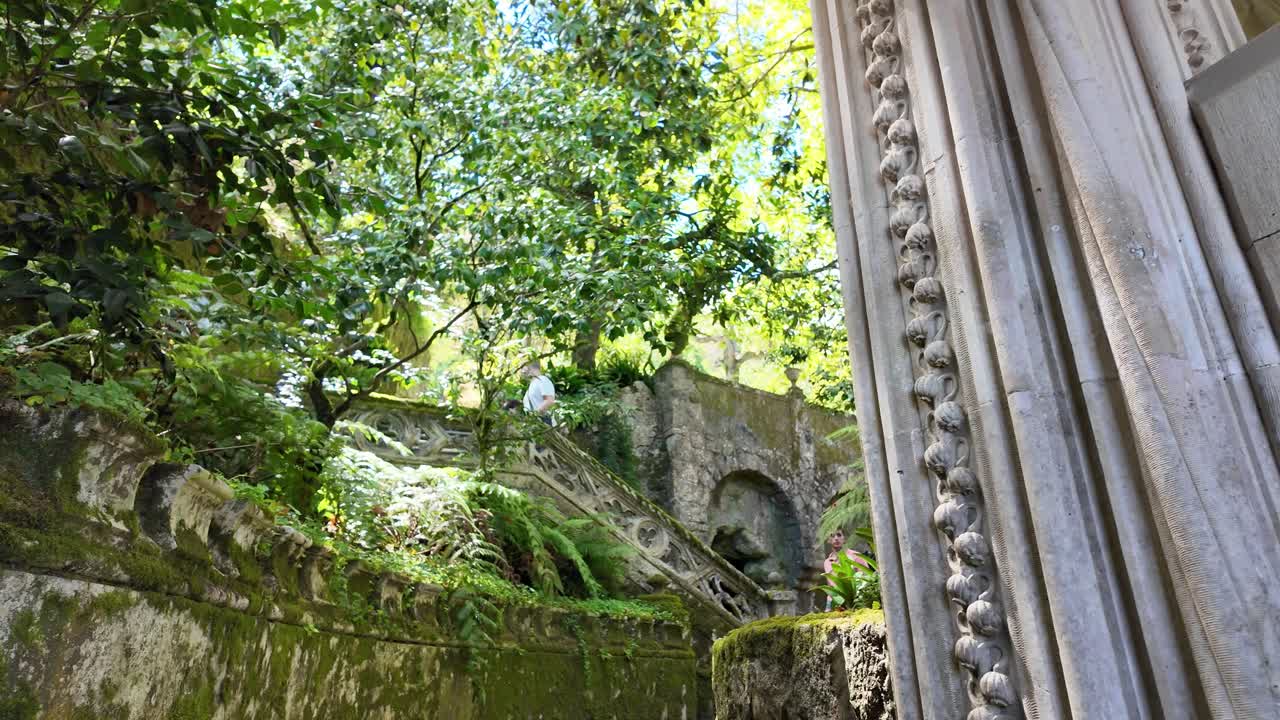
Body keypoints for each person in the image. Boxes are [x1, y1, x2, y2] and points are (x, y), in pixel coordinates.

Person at [823, 529, 870, 610]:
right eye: (832, 536)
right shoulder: (827, 562)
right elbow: (830, 586)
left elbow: (866, 578)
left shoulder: (856, 556)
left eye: (839, 535)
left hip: (855, 601)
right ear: (828, 540)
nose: (836, 538)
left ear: (845, 539)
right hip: (833, 602)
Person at [521, 360, 557, 426]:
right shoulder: (532, 384)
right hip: (535, 425)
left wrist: (534, 416)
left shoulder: (542, 380)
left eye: (522, 367)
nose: (521, 371)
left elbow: (549, 401)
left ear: (528, 366)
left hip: (544, 425)